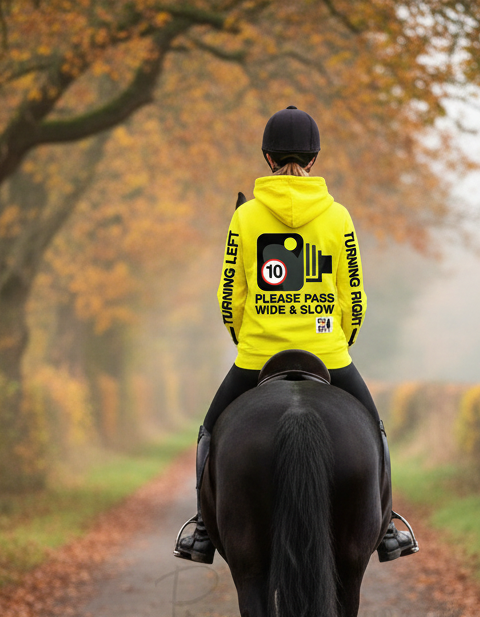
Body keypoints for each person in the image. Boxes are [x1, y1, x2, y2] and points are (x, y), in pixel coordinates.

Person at [174, 106, 417, 565]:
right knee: (376, 433)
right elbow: (355, 298)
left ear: (267, 156)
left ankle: (203, 528)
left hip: (256, 356)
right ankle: (386, 527)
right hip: (328, 352)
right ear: (316, 157)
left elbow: (231, 297)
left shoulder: (245, 218)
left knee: (209, 433)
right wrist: (338, 340)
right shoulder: (338, 216)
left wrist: (248, 338)